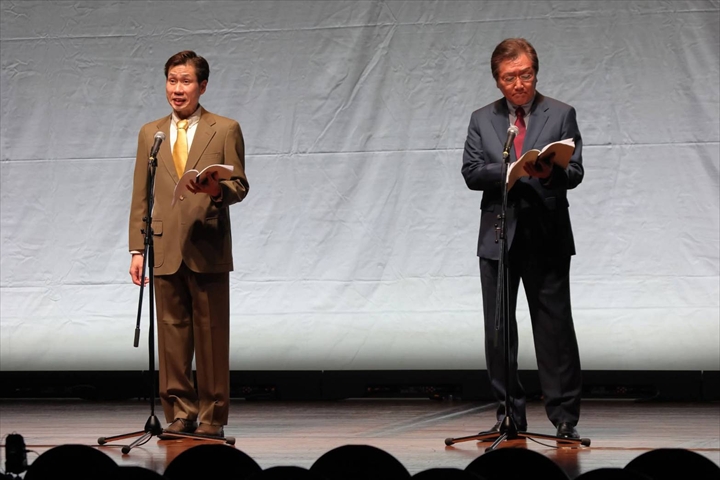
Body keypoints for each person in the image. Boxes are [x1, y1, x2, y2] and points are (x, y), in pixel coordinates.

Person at [461, 38, 584, 439]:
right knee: (498, 331)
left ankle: (564, 418)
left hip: (546, 234)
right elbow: (471, 172)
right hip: (499, 236)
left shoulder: (561, 113)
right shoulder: (483, 119)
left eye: (526, 75)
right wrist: (510, 169)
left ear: (536, 73)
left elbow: (575, 172)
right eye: (510, 77)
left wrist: (549, 172)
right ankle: (508, 414)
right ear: (497, 81)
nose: (519, 84)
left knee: (554, 330)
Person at [128, 50, 249, 439]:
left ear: (203, 86)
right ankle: (180, 411)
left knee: (211, 333)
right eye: (172, 81)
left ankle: (213, 416)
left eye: (185, 81)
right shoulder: (151, 133)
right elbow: (141, 194)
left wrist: (217, 190)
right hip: (164, 246)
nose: (177, 89)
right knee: (171, 333)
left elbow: (239, 185)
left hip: (206, 243)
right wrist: (137, 249)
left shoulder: (225, 128)